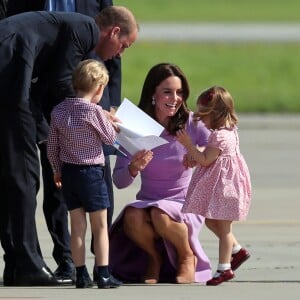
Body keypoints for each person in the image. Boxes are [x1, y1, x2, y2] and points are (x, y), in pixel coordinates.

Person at [0, 6, 138, 286]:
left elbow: (49, 89)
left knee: (14, 175)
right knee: (23, 175)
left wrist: (49, 130)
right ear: (113, 32)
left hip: (12, 70)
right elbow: (64, 84)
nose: (120, 54)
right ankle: (26, 264)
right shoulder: (85, 29)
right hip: (10, 64)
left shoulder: (70, 29)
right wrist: (96, 114)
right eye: (124, 45)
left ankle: (17, 263)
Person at [109, 63, 212, 284]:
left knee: (159, 214)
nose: (175, 98)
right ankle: (153, 258)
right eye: (167, 92)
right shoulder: (135, 125)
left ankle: (187, 255)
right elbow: (119, 181)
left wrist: (199, 153)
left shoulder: (192, 122)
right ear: (152, 94)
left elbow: (221, 144)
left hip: (184, 202)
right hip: (149, 201)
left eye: (180, 92)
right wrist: (133, 168)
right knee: (132, 215)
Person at [47, 59, 122, 289]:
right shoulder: (94, 112)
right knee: (99, 227)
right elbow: (110, 139)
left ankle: (81, 275)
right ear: (99, 88)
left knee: (77, 227)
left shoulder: (59, 111)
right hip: (92, 173)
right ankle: (103, 273)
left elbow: (52, 146)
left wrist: (56, 170)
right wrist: (115, 124)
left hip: (69, 173)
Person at [176, 86, 252, 286]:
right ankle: (237, 251)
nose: (202, 121)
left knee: (224, 229)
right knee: (210, 220)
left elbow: (206, 160)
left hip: (225, 187)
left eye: (204, 116)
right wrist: (195, 155)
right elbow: (210, 154)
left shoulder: (219, 135)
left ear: (216, 114)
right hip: (225, 184)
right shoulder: (229, 129)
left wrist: (188, 145)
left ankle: (224, 268)